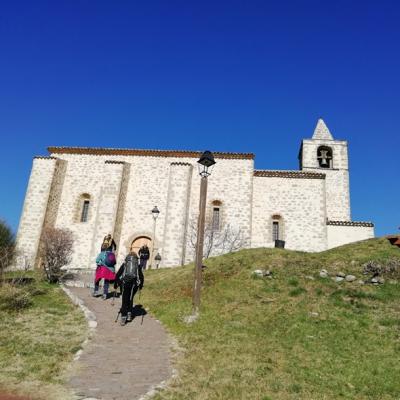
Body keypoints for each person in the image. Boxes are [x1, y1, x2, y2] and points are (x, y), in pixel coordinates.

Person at [115, 251, 144, 326]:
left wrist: (117, 283)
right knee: (130, 299)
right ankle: (129, 314)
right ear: (136, 258)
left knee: (124, 299)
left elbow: (118, 275)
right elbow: (141, 277)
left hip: (125, 283)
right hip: (134, 285)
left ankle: (123, 317)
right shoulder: (137, 265)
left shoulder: (125, 264)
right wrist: (140, 286)